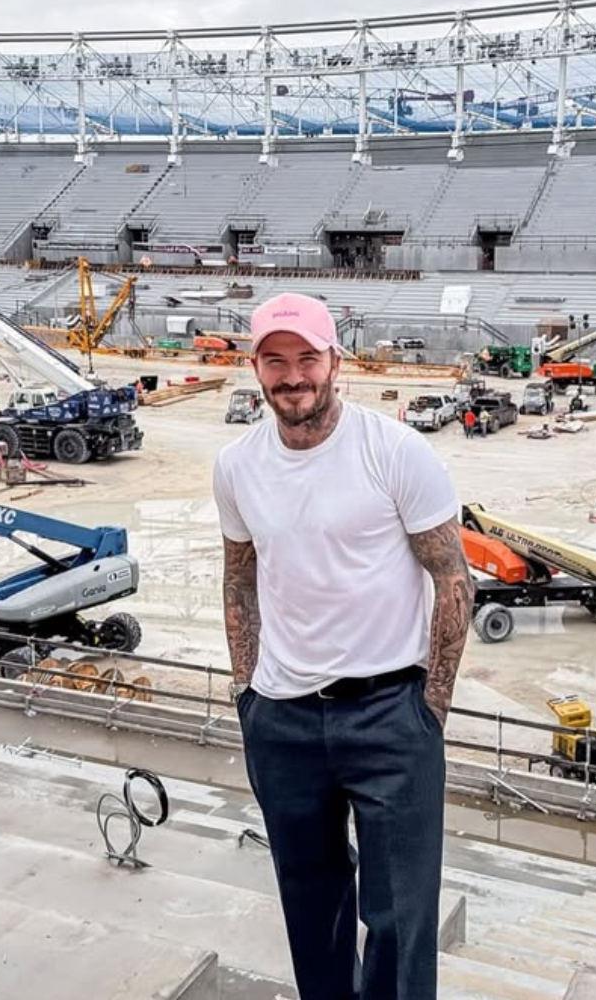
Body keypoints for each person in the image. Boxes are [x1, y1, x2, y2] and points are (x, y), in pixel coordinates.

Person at [213, 292, 473, 1000]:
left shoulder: (395, 452)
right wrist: (247, 694)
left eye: (306, 358)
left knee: (399, 920)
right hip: (282, 719)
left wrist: (431, 710)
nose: (292, 376)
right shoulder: (237, 467)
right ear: (257, 368)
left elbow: (451, 576)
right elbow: (240, 581)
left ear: (335, 361)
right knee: (312, 907)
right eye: (276, 361)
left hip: (390, 716)